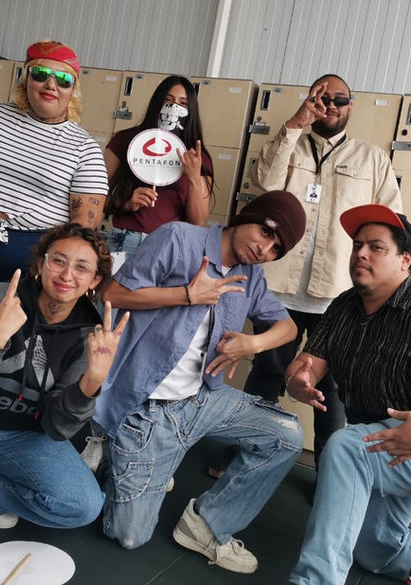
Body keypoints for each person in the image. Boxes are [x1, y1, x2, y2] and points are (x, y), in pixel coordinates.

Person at [94, 191, 306, 573]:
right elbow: (112, 294)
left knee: (286, 435)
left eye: (277, 248)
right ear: (247, 216)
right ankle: (122, 456)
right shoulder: (178, 238)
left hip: (202, 399)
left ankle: (206, 524)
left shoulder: (251, 276)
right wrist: (188, 295)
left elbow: (288, 327)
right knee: (128, 536)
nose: (265, 249)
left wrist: (252, 344)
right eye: (265, 232)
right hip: (149, 411)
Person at [242, 73, 403, 467]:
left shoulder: (372, 159)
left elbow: (391, 222)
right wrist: (295, 124)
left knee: (332, 387)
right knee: (267, 372)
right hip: (279, 289)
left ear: (351, 106)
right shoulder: (289, 144)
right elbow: (263, 182)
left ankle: (330, 470)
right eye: (322, 97)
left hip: (337, 296)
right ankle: (245, 452)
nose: (331, 105)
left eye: (339, 99)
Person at [284, 204, 411, 584]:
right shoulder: (345, 305)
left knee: (346, 447)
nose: (361, 253)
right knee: (374, 549)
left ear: (405, 260)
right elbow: (309, 363)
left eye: (376, 247)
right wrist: (299, 379)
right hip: (385, 447)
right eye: (357, 245)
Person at [0, 223, 128, 530]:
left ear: (95, 280)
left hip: (24, 435)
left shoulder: (89, 336)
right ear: (41, 264)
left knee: (84, 506)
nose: (67, 275)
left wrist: (90, 385)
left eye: (82, 268)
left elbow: (56, 428)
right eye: (58, 261)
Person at [0, 39, 108, 283]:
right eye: (41, 74)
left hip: (31, 258)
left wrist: (54, 267)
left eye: (63, 79)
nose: (51, 85)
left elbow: (84, 223)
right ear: (26, 79)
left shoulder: (84, 148)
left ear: (73, 90)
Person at [103, 74, 213, 256]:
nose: (174, 107)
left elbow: (198, 221)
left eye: (183, 103)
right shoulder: (125, 140)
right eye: (167, 100)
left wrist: (194, 178)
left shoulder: (196, 156)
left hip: (169, 245)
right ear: (157, 102)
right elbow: (94, 197)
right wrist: (125, 203)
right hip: (126, 238)